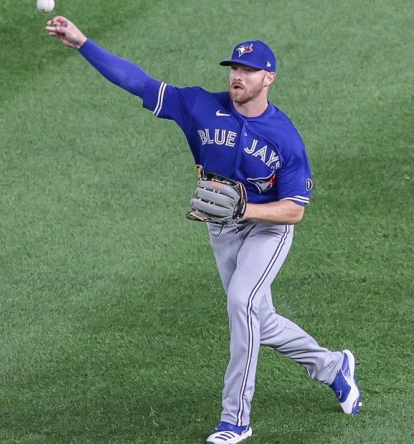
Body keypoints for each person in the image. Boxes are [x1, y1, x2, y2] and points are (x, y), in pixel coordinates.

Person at [45, 16, 362, 444]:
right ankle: (332, 367)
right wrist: (84, 43)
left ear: (268, 78)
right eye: (234, 68)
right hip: (221, 229)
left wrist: (248, 206)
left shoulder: (285, 138)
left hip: (267, 231)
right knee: (258, 319)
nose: (237, 76)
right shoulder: (198, 105)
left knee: (240, 302)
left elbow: (293, 210)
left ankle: (236, 419)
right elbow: (138, 82)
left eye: (248, 71)